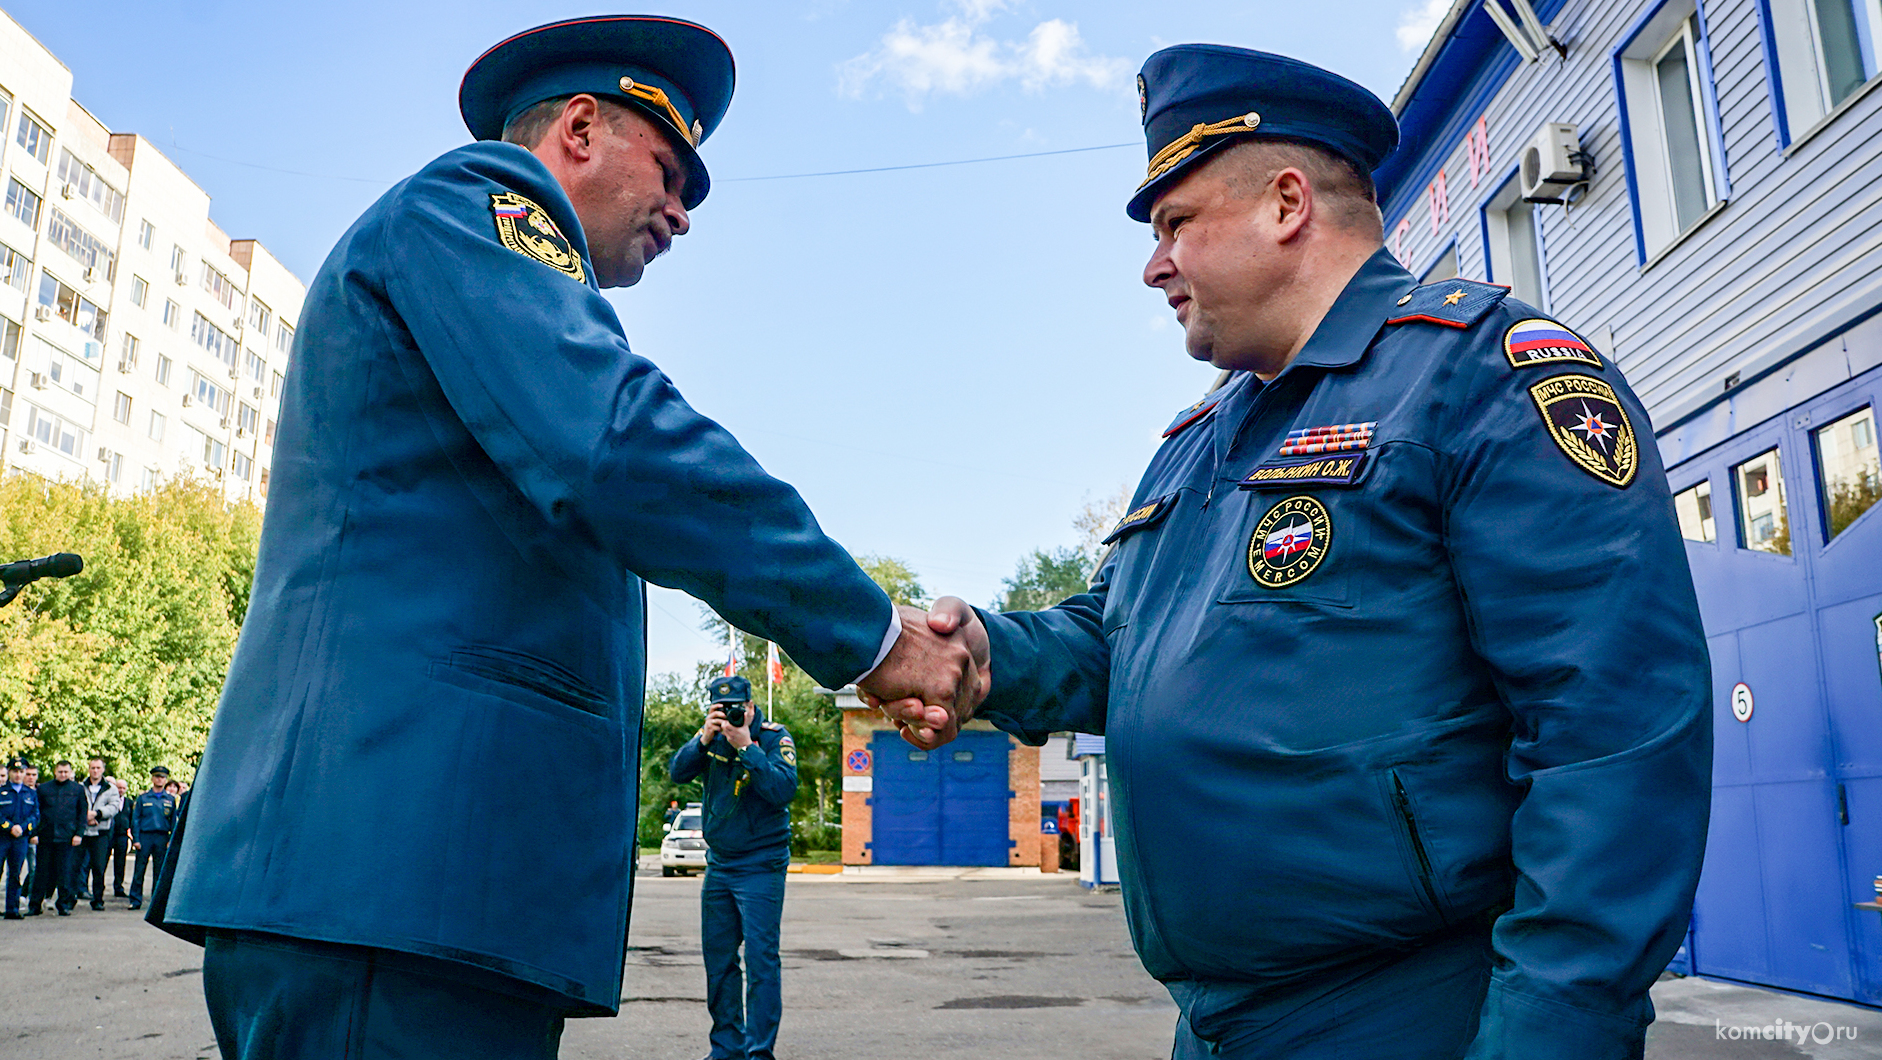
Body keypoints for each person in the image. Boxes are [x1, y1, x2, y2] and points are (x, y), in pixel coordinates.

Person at [145, 16, 975, 1060]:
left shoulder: (485, 264)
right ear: (579, 128)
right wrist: (875, 634)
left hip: (419, 893)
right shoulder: (473, 208)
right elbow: (617, 448)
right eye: (670, 171)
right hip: (388, 883)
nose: (681, 212)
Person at [878, 44, 1711, 1060]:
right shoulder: (1199, 438)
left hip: (1412, 1014)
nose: (1152, 265)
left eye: (1175, 224)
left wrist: (1551, 1035)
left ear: (1284, 204)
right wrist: (984, 651)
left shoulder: (1479, 379)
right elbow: (1116, 642)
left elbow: (1611, 740)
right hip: (1221, 1022)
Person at [669, 676, 798, 1060]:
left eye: (738, 706)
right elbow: (678, 772)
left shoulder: (774, 738)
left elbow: (782, 790)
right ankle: (726, 1048)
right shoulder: (710, 741)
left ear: (752, 705)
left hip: (761, 864)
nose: (731, 714)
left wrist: (748, 748)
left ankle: (759, 1052)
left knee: (761, 960)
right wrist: (703, 739)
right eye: (722, 709)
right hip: (720, 866)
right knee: (719, 962)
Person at [32, 760, 87, 916]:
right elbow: (37, 812)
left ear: (70, 773)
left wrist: (79, 833)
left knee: (65, 873)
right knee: (41, 873)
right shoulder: (43, 788)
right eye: (60, 771)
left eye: (66, 772)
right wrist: (34, 833)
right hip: (46, 836)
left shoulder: (77, 789)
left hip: (67, 837)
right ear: (55, 772)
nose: (63, 774)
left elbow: (82, 813)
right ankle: (35, 904)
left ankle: (63, 904)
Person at [127, 766, 177, 911]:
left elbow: (173, 821)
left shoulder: (170, 799)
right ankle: (135, 900)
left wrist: (171, 839)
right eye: (157, 776)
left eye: (162, 777)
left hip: (161, 837)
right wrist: (136, 839)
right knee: (139, 870)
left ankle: (157, 902)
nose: (159, 779)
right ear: (152, 778)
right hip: (145, 836)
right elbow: (136, 819)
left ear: (165, 779)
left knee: (159, 871)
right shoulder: (143, 798)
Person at [78, 759, 121, 910]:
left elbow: (114, 807)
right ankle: (69, 899)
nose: (95, 771)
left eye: (98, 768)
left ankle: (97, 900)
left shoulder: (111, 788)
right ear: (88, 769)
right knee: (75, 866)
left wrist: (97, 814)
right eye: (92, 768)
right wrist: (85, 817)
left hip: (101, 832)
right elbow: (74, 806)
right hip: (82, 832)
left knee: (98, 868)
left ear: (103, 770)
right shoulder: (80, 787)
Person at [0, 757, 37, 920]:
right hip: (2, 837)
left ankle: (12, 909)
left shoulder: (30, 794)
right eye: (15, 771)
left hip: (20, 839)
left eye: (21, 772)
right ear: (9, 772)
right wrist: (9, 826)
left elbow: (35, 816)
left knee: (15, 874)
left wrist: (22, 828)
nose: (18, 775)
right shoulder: (1, 791)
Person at [110, 776, 131, 898]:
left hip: (122, 836)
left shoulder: (129, 802)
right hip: (108, 835)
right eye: (119, 787)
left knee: (120, 863)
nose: (121, 790)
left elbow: (132, 818)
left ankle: (118, 887)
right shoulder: (109, 800)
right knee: (102, 862)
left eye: (123, 788)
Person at [20, 764, 36, 905]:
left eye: (33, 775)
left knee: (34, 869)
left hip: (32, 836)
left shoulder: (37, 793)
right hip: (13, 835)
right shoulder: (15, 791)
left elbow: (36, 816)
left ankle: (29, 898)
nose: (30, 778)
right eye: (28, 774)